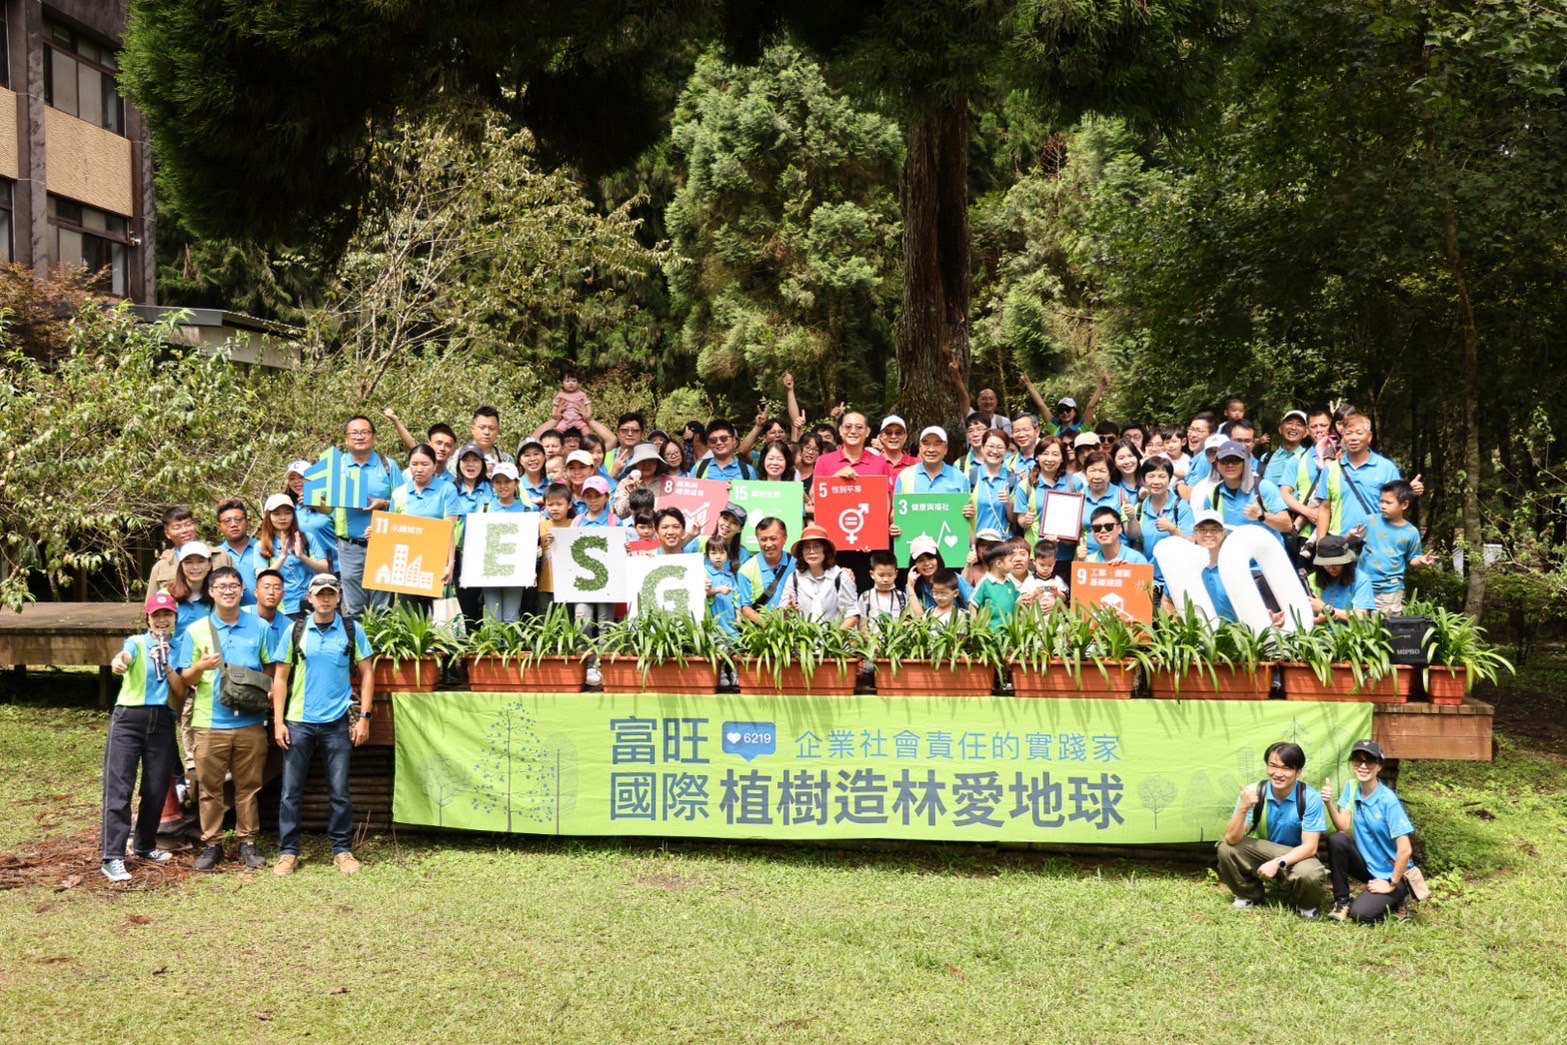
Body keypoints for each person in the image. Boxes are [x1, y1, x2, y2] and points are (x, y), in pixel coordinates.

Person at [269, 573, 375, 876]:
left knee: (339, 790)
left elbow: (367, 674)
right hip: (299, 722)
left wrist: (365, 718)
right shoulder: (295, 630)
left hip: (337, 723)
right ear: (310, 598)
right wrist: (279, 722)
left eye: (331, 593)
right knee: (290, 791)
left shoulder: (353, 630)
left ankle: (342, 851)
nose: (325, 598)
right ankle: (289, 852)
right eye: (320, 594)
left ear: (338, 597)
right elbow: (280, 678)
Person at [176, 565, 272, 872]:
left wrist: (259, 692)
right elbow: (183, 680)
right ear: (212, 592)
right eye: (222, 586)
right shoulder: (196, 631)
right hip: (209, 723)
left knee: (250, 787)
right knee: (209, 789)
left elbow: (271, 668)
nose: (229, 590)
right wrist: (201, 667)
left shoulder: (260, 627)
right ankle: (213, 844)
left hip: (250, 722)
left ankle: (248, 842)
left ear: (242, 590)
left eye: (234, 585)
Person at [101, 592, 188, 882]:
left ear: (175, 618)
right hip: (129, 719)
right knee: (120, 787)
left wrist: (167, 663)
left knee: (155, 788)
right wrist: (119, 661)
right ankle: (112, 856)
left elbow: (180, 691)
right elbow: (124, 657)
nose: (162, 621)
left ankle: (145, 845)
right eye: (156, 616)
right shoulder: (137, 642)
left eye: (167, 615)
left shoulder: (177, 648)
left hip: (162, 720)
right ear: (148, 619)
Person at [1217, 742, 1331, 919]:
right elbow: (1232, 838)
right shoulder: (1253, 792)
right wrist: (1243, 809)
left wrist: (1278, 862)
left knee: (1310, 874)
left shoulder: (1309, 798)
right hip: (1263, 851)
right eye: (1273, 766)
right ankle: (1248, 895)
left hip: (1297, 856)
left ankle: (1305, 905)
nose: (1278, 773)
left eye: (1286, 768)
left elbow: (1310, 848)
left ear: (1298, 772)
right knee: (1226, 847)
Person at [1324, 740, 1426, 923]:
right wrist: (1329, 802)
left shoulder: (1388, 801)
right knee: (1337, 840)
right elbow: (1343, 826)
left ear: (1379, 766)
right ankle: (1342, 902)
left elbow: (1405, 850)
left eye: (1369, 761)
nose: (1363, 766)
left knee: (1361, 915)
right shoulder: (1352, 787)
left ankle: (1398, 899)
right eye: (1358, 761)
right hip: (1370, 867)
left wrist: (1391, 884)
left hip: (1396, 874)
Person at [1310, 411, 1424, 539]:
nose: (1353, 438)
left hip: (1377, 542)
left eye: (1359, 433)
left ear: (1369, 437)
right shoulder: (1330, 470)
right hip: (1340, 544)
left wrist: (1409, 490)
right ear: (1343, 437)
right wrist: (1320, 542)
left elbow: (1397, 505)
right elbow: (1324, 509)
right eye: (1348, 433)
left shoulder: (1386, 468)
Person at [332, 415, 403, 617]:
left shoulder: (388, 466)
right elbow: (327, 509)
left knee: (383, 608)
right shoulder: (336, 466)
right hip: (348, 545)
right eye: (354, 433)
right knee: (354, 608)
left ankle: (381, 648)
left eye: (365, 432)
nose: (360, 437)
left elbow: (402, 503)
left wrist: (384, 504)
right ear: (346, 439)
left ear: (374, 438)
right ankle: (359, 648)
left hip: (383, 543)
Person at [1357, 480, 1436, 614]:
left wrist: (1422, 561)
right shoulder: (1369, 521)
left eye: (1388, 503)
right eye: (1381, 501)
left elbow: (1413, 559)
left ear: (1404, 505)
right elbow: (1349, 542)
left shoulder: (1411, 532)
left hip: (1389, 592)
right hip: (1361, 587)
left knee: (1386, 630)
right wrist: (1350, 537)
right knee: (1358, 628)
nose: (1383, 506)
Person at [1206, 439, 1293, 548]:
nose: (1230, 465)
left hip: (1267, 560)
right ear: (1217, 464)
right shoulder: (1213, 494)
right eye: (1225, 460)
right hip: (1235, 559)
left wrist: (1262, 516)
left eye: (1236, 460)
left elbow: (1287, 525)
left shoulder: (1263, 487)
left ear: (1245, 462)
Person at [258, 494, 330, 617]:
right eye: (276, 514)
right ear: (268, 516)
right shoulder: (262, 546)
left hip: (310, 602)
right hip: (282, 607)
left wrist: (302, 556)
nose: (282, 518)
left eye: (287, 513)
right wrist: (282, 557)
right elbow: (261, 577)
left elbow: (324, 568)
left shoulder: (306, 538)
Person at [1126, 456, 1193, 586]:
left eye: (1162, 476)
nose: (1156, 481)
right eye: (1151, 476)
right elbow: (1138, 543)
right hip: (1148, 581)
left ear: (1169, 479)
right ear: (1144, 479)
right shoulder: (1141, 507)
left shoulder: (1180, 507)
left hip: (1175, 582)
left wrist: (1173, 530)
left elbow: (1193, 543)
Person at [478, 463, 531, 622]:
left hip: (515, 571)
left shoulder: (528, 510)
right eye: (498, 482)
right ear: (492, 484)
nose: (502, 486)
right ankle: (492, 647)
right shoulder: (485, 509)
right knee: (492, 618)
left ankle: (510, 647)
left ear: (516, 483)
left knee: (511, 616)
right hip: (490, 570)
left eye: (507, 481)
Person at [781, 524, 860, 628]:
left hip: (835, 640)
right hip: (804, 642)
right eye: (807, 547)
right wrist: (788, 610)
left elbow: (852, 614)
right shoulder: (794, 578)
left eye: (817, 546)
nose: (811, 551)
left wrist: (835, 638)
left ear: (826, 550)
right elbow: (783, 616)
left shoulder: (840, 577)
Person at [147, 506, 233, 593]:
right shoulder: (161, 567)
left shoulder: (221, 556)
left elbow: (238, 592)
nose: (185, 530)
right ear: (167, 534)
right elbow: (152, 604)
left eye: (188, 525)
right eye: (177, 527)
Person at [1306, 535, 1376, 623]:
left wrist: (1325, 608)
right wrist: (1317, 621)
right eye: (1326, 564)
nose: (1331, 568)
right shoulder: (1311, 579)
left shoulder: (1361, 580)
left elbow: (1362, 615)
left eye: (1336, 564)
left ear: (1346, 563)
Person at [738, 517, 796, 622]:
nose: (768, 544)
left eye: (773, 538)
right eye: (763, 539)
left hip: (792, 629)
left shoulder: (797, 565)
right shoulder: (746, 570)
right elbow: (746, 607)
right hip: (761, 632)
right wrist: (769, 627)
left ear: (785, 538)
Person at [286, 462, 339, 573]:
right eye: (292, 478)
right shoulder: (290, 508)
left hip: (338, 568)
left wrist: (316, 502)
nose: (296, 482)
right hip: (309, 572)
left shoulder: (330, 501)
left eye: (301, 477)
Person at [1078, 451, 1129, 557]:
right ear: (1085, 472)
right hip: (1089, 557)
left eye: (1102, 471)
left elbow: (1131, 533)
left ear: (1110, 474)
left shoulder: (1121, 495)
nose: (1097, 476)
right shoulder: (1079, 496)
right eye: (1092, 470)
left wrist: (1132, 517)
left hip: (1118, 558)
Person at [905, 535, 974, 613]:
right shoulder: (912, 586)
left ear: (938, 559)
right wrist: (910, 587)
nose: (927, 563)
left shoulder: (953, 577)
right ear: (914, 564)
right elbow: (919, 619)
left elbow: (973, 602)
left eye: (930, 558)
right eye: (921, 560)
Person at [893, 427, 969, 496]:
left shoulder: (959, 478)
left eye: (937, 444)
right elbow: (897, 509)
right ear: (920, 448)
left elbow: (966, 507)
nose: (931, 449)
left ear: (946, 449)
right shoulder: (905, 476)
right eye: (926, 444)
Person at [536, 483, 575, 612]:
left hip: (568, 584)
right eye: (550, 505)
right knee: (544, 621)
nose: (555, 508)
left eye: (559, 504)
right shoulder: (541, 525)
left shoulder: (574, 525)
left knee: (567, 621)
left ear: (569, 505)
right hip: (545, 583)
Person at [214, 499, 261, 606]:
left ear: (247, 522)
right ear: (219, 526)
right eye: (227, 521)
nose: (233, 524)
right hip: (230, 616)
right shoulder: (216, 555)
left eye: (238, 519)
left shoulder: (263, 548)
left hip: (267, 615)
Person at [970, 540, 1019, 628]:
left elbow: (1018, 601)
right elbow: (973, 604)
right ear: (999, 564)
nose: (1013, 563)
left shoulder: (1010, 582)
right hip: (990, 635)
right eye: (1010, 560)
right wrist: (976, 629)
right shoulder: (985, 583)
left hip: (1010, 635)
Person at [1084, 507, 1149, 566]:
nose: (1103, 531)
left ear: (1119, 529)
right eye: (1097, 528)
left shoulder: (1137, 560)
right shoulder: (1089, 561)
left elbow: (1146, 579)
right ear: (1092, 532)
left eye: (1109, 526)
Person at [704, 534, 739, 639]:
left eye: (722, 553)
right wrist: (719, 590)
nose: (718, 556)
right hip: (715, 623)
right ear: (708, 555)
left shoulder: (730, 576)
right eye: (713, 553)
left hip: (731, 621)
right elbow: (704, 594)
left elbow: (736, 597)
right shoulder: (705, 572)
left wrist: (738, 614)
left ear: (727, 555)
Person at [517, 438, 550, 509]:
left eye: (536, 454)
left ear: (544, 457)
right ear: (520, 460)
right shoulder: (515, 486)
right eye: (527, 455)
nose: (532, 459)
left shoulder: (553, 483)